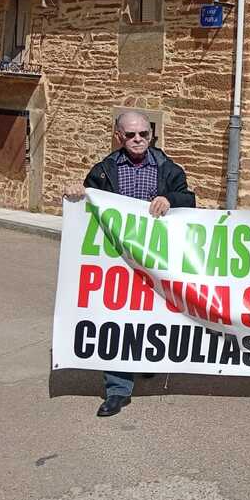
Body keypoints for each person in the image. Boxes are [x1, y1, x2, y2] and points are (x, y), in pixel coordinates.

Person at [63, 110, 196, 418]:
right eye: (131, 135)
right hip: (116, 260)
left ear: (151, 135)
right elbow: (88, 203)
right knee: (117, 319)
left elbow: (189, 199)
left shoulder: (168, 168)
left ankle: (146, 361)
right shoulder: (103, 171)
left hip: (155, 260)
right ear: (118, 137)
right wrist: (76, 193)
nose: (138, 140)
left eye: (144, 134)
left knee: (151, 317)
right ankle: (118, 390)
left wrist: (171, 200)